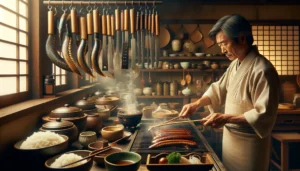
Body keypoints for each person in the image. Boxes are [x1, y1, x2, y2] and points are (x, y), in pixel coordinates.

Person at [179, 14, 280, 171]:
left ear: (241, 39)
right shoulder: (234, 65)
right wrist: (197, 104)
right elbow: (218, 88)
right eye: (220, 45)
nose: (222, 49)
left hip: (250, 144)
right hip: (230, 140)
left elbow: (263, 114)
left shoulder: (263, 70)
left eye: (224, 43)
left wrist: (226, 118)